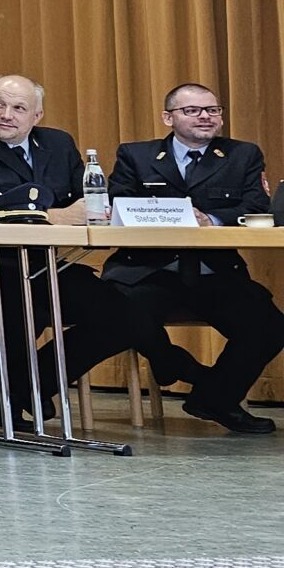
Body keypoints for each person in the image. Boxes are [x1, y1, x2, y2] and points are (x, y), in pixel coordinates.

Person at [0, 73, 184, 423]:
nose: (6, 115)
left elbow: (87, 199)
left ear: (37, 115)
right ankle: (13, 397)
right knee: (19, 298)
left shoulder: (58, 144)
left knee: (125, 316)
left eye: (19, 108)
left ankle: (22, 382)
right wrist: (53, 216)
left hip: (39, 263)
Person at [103, 83, 284, 434]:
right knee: (119, 312)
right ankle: (176, 364)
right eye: (192, 111)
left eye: (212, 110)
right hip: (148, 269)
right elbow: (119, 205)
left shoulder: (242, 154)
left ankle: (215, 397)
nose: (205, 117)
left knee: (269, 325)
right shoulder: (136, 155)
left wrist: (211, 219)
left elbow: (256, 207)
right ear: (167, 118)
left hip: (213, 271)